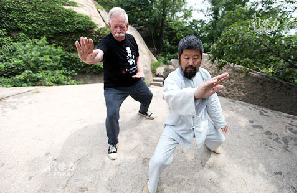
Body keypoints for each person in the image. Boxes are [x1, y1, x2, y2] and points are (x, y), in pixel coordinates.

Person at [143, 35, 229, 193]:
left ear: (201, 58)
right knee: (157, 161)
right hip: (177, 126)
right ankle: (150, 186)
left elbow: (212, 101)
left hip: (201, 123)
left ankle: (211, 145)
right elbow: (172, 98)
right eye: (187, 57)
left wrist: (220, 122)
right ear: (179, 57)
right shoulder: (172, 79)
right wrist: (196, 93)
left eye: (196, 57)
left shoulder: (204, 75)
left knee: (220, 138)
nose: (191, 62)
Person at [75, 7, 154, 160]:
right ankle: (112, 143)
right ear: (110, 26)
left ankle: (143, 111)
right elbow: (98, 54)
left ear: (127, 25)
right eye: (115, 26)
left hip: (134, 81)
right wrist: (89, 58)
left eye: (122, 26)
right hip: (114, 87)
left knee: (148, 96)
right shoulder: (106, 42)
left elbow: (137, 57)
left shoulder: (131, 39)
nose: (119, 30)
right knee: (111, 114)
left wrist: (141, 71)